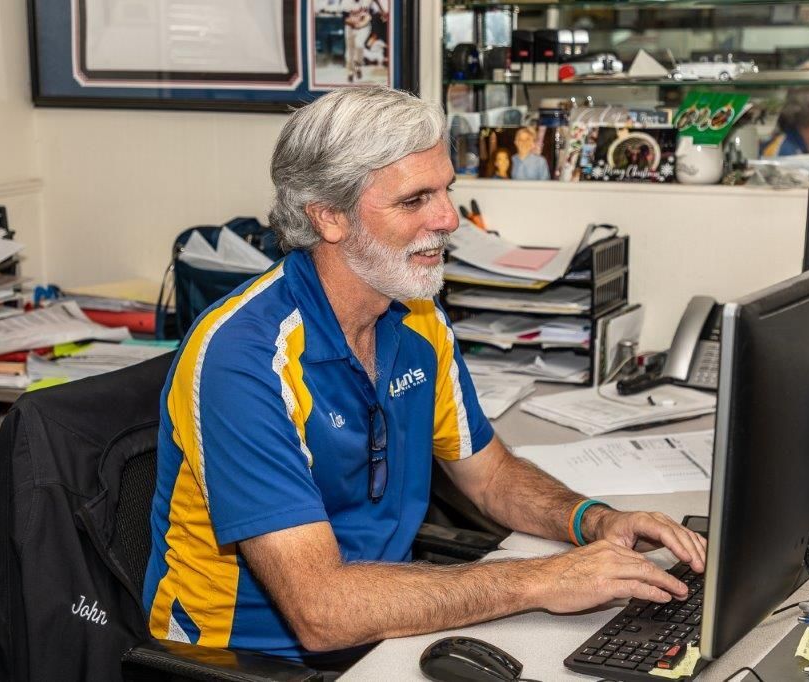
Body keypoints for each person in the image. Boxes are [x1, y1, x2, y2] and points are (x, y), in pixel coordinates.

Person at [144, 86, 706, 662]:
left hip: (381, 626)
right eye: (414, 200)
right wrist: (540, 581)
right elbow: (321, 611)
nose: (449, 219)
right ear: (329, 216)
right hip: (254, 658)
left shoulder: (415, 315)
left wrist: (594, 521)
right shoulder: (244, 356)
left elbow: (488, 477)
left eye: (447, 190)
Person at [341, 0, 373, 83]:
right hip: (350, 27)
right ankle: (350, 73)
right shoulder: (346, 2)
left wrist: (361, 24)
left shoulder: (366, 1)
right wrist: (354, 24)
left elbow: (369, 16)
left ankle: (358, 65)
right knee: (349, 51)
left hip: (364, 27)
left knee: (359, 45)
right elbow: (344, 19)